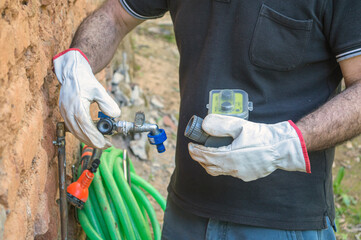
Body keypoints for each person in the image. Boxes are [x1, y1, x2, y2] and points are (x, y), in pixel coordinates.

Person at [53, 0, 361, 239]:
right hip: (187, 216)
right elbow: (115, 16)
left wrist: (287, 142)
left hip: (284, 223)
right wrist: (79, 61)